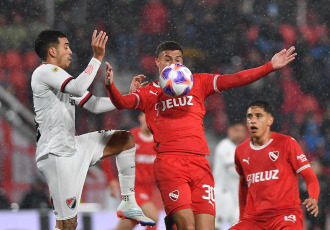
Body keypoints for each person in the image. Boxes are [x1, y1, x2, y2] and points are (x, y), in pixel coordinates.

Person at [104, 40, 297, 230]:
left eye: (178, 60)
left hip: (200, 165)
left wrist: (269, 66)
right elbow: (122, 102)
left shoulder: (199, 82)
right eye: (168, 59)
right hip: (170, 164)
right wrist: (111, 85)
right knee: (187, 226)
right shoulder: (149, 92)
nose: (173, 64)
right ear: (157, 62)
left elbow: (236, 79)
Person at [31, 30, 154, 230]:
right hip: (56, 155)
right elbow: (79, 88)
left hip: (73, 146)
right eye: (66, 46)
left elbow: (94, 105)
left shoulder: (64, 81)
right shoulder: (44, 72)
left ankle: (129, 202)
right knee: (68, 225)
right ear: (52, 51)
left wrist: (126, 97)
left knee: (124, 139)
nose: (70, 51)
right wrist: (96, 58)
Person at [230, 100, 320, 230]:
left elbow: (309, 176)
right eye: (249, 116)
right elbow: (243, 185)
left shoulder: (287, 143)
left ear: (270, 121)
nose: (252, 120)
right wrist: (242, 218)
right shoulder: (240, 151)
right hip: (255, 219)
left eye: (258, 116)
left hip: (285, 215)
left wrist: (313, 197)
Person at [101, 112, 159, 230]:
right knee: (153, 217)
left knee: (125, 226)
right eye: (147, 116)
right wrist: (111, 180)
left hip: (148, 190)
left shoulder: (159, 141)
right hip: (132, 189)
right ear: (141, 117)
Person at [213, 122, 247, 229]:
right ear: (229, 130)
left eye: (241, 131)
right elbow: (234, 170)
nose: (239, 134)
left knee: (239, 226)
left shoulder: (241, 149)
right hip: (222, 194)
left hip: (236, 197)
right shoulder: (225, 146)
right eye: (236, 130)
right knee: (215, 226)